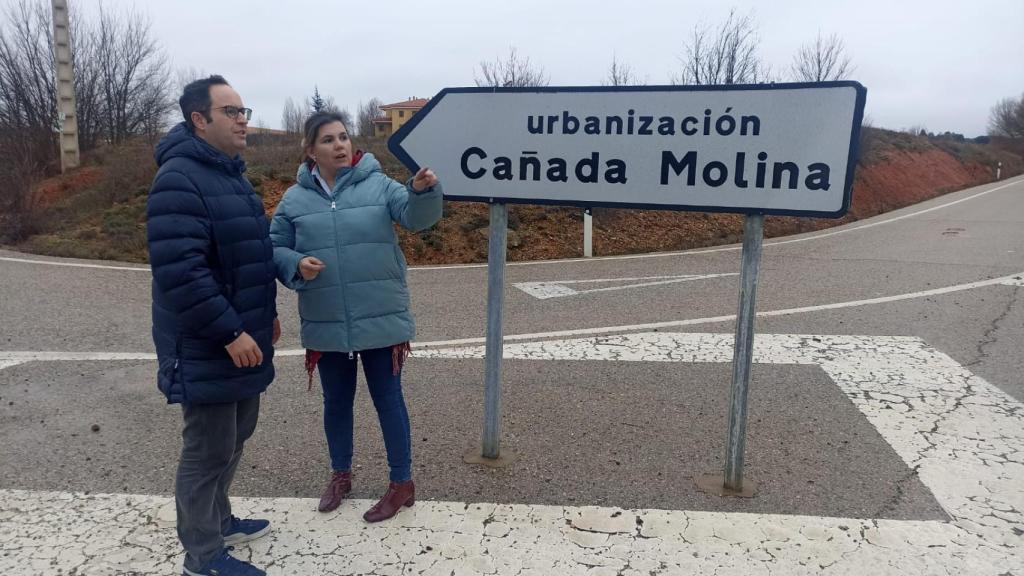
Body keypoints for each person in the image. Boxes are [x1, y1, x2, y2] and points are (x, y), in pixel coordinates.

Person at [270, 111, 442, 522]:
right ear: (311, 150)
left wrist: (421, 192)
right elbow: (272, 247)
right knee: (336, 403)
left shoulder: (380, 185)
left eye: (344, 137)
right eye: (328, 140)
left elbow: (418, 219)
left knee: (388, 401)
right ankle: (340, 476)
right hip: (326, 321)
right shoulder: (294, 200)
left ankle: (402, 484)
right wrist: (295, 263)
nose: (340, 145)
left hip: (380, 315)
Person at [147, 75, 279, 576]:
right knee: (206, 451)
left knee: (236, 435)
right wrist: (230, 332)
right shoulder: (179, 178)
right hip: (209, 343)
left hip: (243, 337)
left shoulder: (230, 175)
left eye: (244, 109)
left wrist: (266, 318)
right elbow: (182, 273)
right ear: (199, 120)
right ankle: (201, 558)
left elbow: (249, 257)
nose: (243, 119)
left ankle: (220, 520)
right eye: (231, 111)